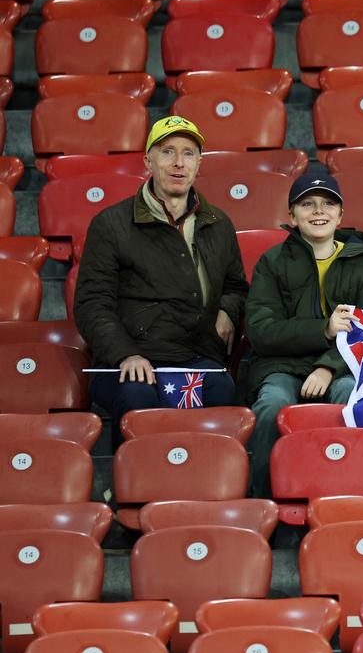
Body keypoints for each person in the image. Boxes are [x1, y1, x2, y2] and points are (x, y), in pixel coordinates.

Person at [74, 115, 247, 447]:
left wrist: (226, 311)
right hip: (132, 357)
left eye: (189, 153)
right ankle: (125, 492)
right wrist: (126, 354)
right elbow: (92, 303)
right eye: (167, 151)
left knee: (222, 391)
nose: (179, 163)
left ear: (199, 163)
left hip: (196, 354)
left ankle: (210, 490)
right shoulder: (110, 224)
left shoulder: (218, 223)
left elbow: (235, 286)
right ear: (148, 161)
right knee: (136, 396)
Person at [245, 173, 363, 498]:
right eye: (307, 204)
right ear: (292, 216)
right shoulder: (272, 262)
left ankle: (350, 494)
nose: (318, 211)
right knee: (271, 406)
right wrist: (323, 329)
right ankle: (267, 501)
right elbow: (261, 330)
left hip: (344, 366)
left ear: (341, 214)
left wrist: (328, 366)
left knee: (351, 396)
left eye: (328, 203)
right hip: (281, 366)